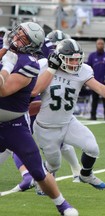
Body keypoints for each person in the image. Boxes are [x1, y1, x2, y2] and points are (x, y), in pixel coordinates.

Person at [0, 22, 78, 216]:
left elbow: (3, 90)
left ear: (31, 44)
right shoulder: (7, 52)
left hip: (13, 125)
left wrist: (7, 65)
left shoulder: (29, 63)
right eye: (18, 34)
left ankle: (62, 205)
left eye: (23, 38)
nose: (16, 39)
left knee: (38, 171)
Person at [31, 38, 105, 191]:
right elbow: (34, 90)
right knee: (55, 164)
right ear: (59, 58)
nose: (75, 64)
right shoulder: (44, 67)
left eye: (77, 60)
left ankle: (86, 174)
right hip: (46, 127)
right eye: (71, 60)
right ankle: (41, 180)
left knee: (92, 148)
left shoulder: (83, 70)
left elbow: (98, 86)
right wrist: (51, 69)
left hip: (68, 122)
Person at [87, 38, 105, 121]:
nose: (100, 45)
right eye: (99, 44)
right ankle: (93, 116)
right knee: (94, 100)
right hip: (94, 82)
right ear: (96, 45)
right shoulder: (92, 56)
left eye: (102, 44)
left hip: (104, 82)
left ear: (104, 45)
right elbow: (88, 69)